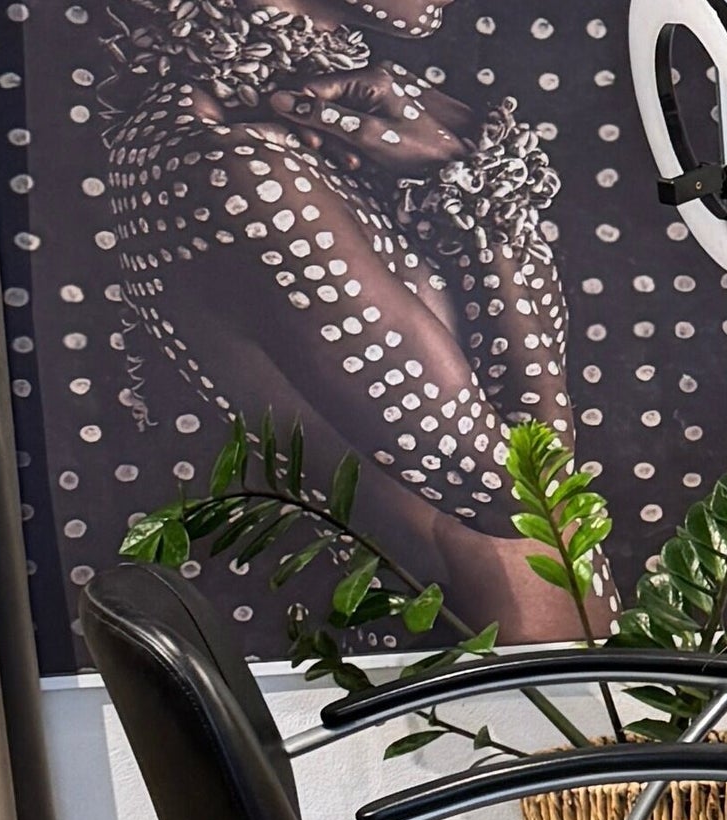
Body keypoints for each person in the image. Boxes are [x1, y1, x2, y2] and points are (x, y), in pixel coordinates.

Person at [100, 0, 585, 635]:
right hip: (493, 666)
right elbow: (527, 497)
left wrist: (469, 174)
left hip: (550, 656)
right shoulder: (229, 161)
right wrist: (476, 189)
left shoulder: (344, 119)